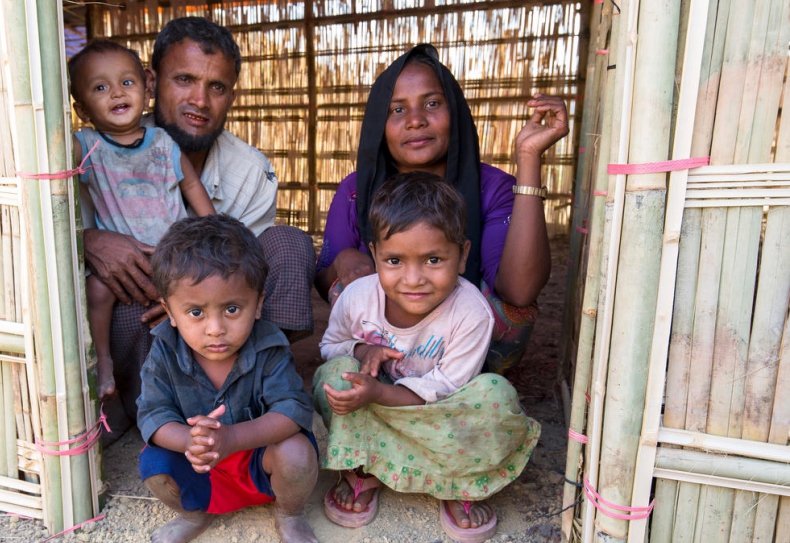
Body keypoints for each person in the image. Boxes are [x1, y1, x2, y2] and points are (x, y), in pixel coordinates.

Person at [80, 18, 317, 443]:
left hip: (218, 317)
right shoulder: (97, 151)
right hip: (140, 309)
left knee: (288, 244)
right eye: (184, 79)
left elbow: (243, 275)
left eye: (217, 87)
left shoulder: (250, 171)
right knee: (122, 304)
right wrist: (87, 239)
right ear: (152, 81)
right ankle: (146, 406)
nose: (200, 100)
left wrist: (184, 293)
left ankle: (261, 393)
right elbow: (46, 225)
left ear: (232, 95)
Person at [315, 44, 569, 374]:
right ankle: (384, 380)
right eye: (397, 110)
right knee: (344, 284)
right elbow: (325, 280)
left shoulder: (491, 188)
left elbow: (519, 292)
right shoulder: (355, 190)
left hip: (464, 350)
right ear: (379, 122)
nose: (416, 121)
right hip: (378, 350)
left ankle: (454, 384)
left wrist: (529, 156)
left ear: (455, 112)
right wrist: (343, 259)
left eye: (432, 103)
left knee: (509, 307)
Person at [313, 172, 540, 540]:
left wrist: (379, 394)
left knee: (495, 395)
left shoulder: (471, 312)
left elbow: (449, 388)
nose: (413, 278)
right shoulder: (358, 297)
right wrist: (362, 349)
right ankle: (364, 469)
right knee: (335, 374)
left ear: (463, 255)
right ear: (374, 255)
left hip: (438, 412)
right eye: (394, 261)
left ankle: (458, 480)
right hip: (374, 411)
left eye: (433, 259)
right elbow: (330, 346)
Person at [137, 214, 318, 543]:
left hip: (259, 461)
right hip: (199, 464)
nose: (216, 328)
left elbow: (292, 409)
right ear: (170, 311)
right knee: (154, 462)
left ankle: (290, 513)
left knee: (297, 452)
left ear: (258, 303)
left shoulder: (269, 346)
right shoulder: (163, 351)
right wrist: (190, 441)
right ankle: (194, 514)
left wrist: (233, 438)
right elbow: (152, 413)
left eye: (232, 309)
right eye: (196, 312)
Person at [68, 40, 216, 401]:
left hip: (173, 252)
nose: (116, 92)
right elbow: (47, 152)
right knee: (97, 291)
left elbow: (192, 185)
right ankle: (103, 362)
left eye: (126, 82)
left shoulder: (163, 142)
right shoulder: (85, 144)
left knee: (196, 298)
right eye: (100, 88)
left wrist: (213, 229)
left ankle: (202, 375)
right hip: (123, 264)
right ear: (82, 109)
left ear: (147, 89)